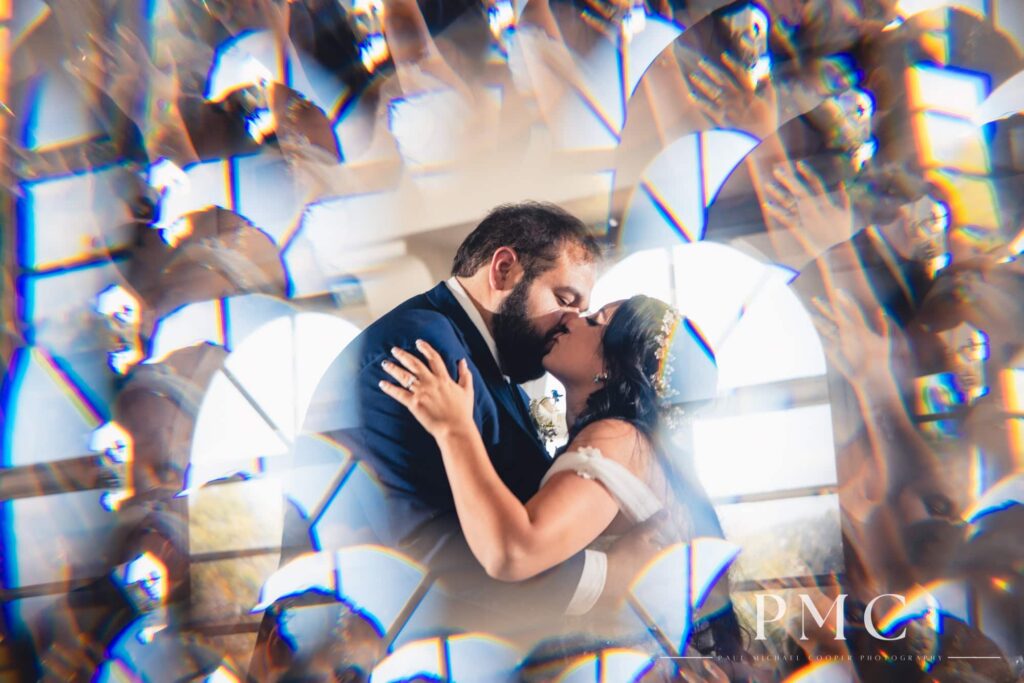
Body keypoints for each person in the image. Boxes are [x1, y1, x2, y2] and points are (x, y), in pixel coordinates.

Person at [296, 202, 666, 645]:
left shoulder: (488, 361)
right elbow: (434, 546)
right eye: (565, 300)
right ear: (505, 270)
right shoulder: (424, 349)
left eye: (586, 313)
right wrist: (607, 578)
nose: (571, 320)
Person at [378, 294, 746, 660]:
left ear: (620, 364)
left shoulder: (617, 438)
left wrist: (454, 429)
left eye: (597, 321)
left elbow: (514, 551)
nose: (572, 319)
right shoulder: (636, 449)